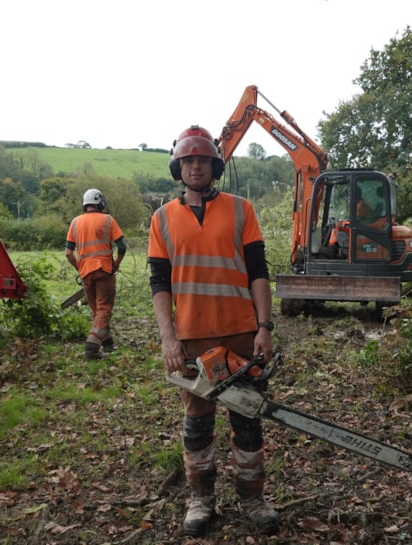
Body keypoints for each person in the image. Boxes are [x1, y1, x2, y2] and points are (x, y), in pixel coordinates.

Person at [147, 125, 279, 537]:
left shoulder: (242, 210)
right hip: (192, 339)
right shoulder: (162, 219)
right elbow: (159, 284)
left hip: (242, 334)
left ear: (214, 165)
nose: (196, 166)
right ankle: (201, 498)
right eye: (188, 160)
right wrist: (168, 338)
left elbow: (258, 272)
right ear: (178, 167)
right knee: (198, 425)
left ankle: (253, 497)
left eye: (202, 159)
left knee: (248, 421)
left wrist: (265, 327)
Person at [65, 188, 126, 360]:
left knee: (96, 310)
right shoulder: (107, 220)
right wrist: (115, 265)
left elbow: (68, 253)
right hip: (104, 270)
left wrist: (80, 268)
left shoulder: (75, 222)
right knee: (104, 308)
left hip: (86, 273)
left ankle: (107, 344)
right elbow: (122, 247)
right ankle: (92, 345)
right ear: (100, 202)